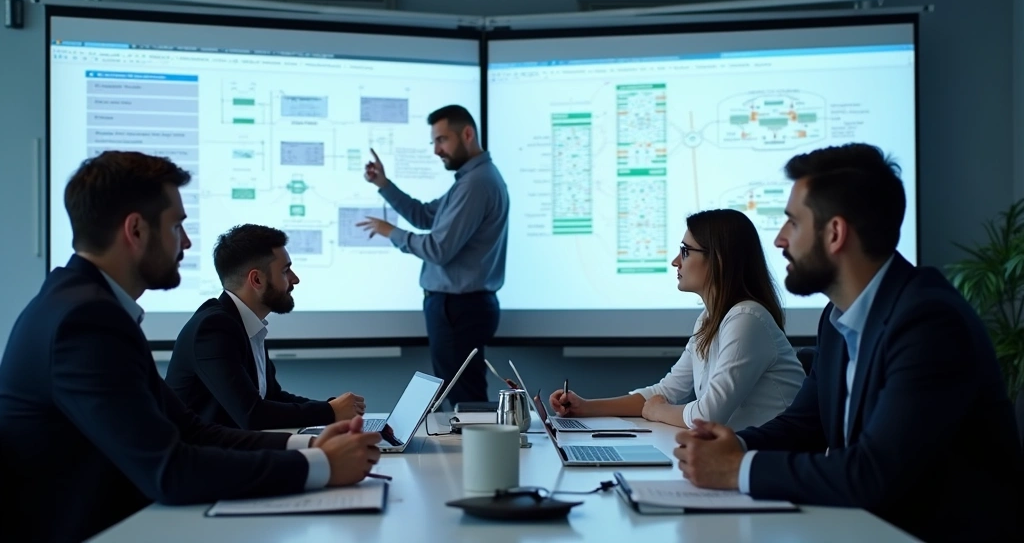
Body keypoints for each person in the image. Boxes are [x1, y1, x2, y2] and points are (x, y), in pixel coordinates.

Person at [0, 151, 382, 543]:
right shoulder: (84, 321)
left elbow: (191, 431)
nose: (186, 241)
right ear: (135, 230)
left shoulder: (85, 305)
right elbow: (170, 470)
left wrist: (309, 444)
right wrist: (319, 466)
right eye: (177, 226)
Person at [673, 143, 1023, 543]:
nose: (779, 240)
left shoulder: (929, 322)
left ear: (835, 233)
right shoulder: (838, 318)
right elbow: (804, 425)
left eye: (793, 224)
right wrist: (731, 442)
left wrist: (737, 469)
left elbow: (874, 473)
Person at [549, 209, 805, 430]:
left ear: (717, 259)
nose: (675, 262)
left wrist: (656, 411)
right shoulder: (709, 319)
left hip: (774, 461)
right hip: (742, 455)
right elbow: (666, 392)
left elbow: (706, 416)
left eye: (685, 251)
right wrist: (584, 408)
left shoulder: (748, 319)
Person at [357, 104, 509, 409]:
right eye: (434, 142)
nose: (437, 150)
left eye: (442, 140)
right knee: (463, 398)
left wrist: (392, 232)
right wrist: (384, 185)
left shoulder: (477, 184)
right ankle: (478, 454)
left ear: (467, 134)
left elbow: (438, 249)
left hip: (459, 309)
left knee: (465, 401)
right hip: (458, 308)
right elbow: (426, 215)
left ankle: (479, 456)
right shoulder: (471, 180)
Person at [165, 224, 365, 430]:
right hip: (198, 459)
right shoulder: (213, 328)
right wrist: (330, 412)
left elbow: (272, 397)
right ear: (257, 279)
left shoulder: (243, 323)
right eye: (286, 270)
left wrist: (332, 409)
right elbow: (252, 415)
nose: (295, 279)